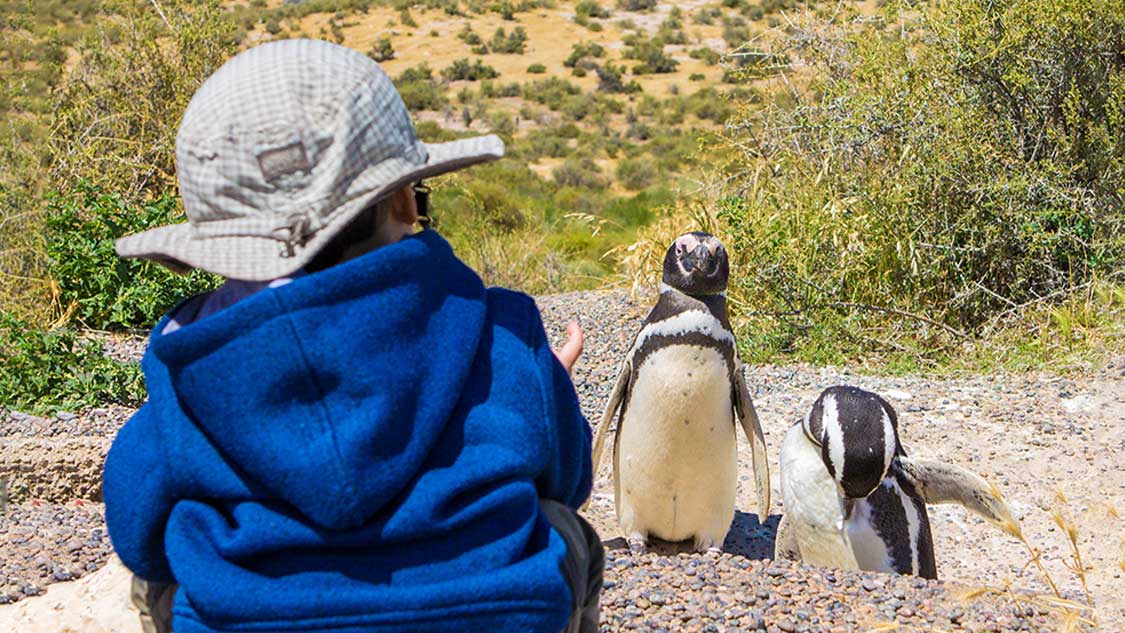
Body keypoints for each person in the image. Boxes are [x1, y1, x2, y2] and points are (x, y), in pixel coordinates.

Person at [103, 39, 602, 633]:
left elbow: (137, 528)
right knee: (569, 532)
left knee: (159, 574)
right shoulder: (501, 334)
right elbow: (569, 479)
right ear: (403, 200)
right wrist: (537, 388)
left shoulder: (191, 367)